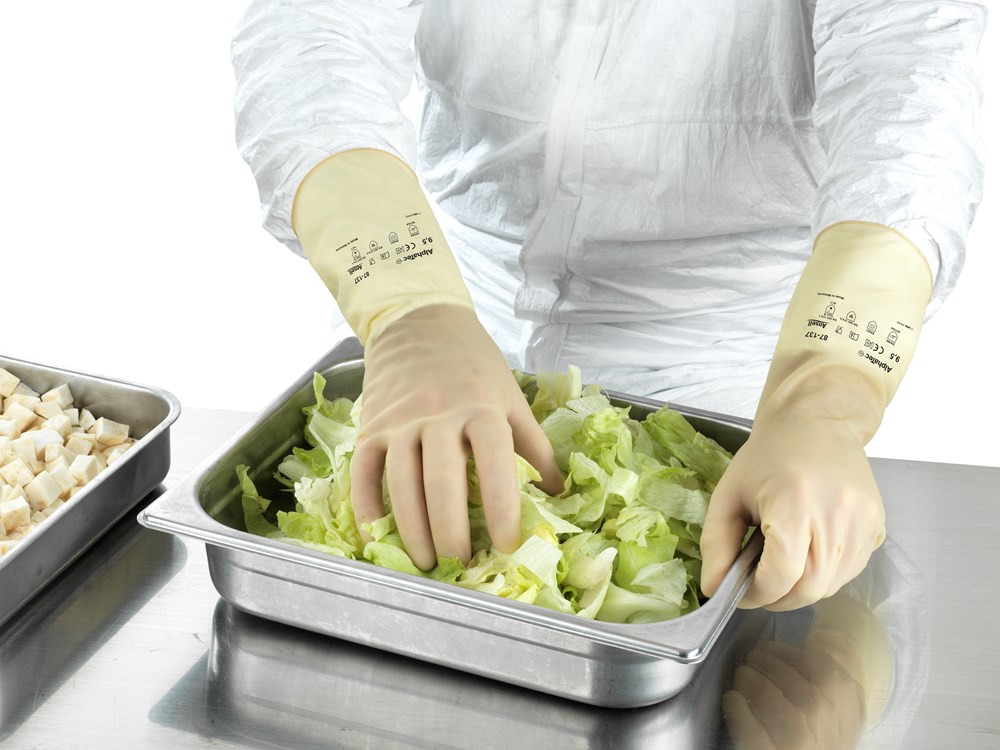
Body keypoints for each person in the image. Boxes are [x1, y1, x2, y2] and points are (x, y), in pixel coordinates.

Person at [231, 1, 986, 611]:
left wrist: (826, 399)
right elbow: (313, 34)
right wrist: (408, 311)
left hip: (732, 382)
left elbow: (909, 112)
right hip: (441, 309)